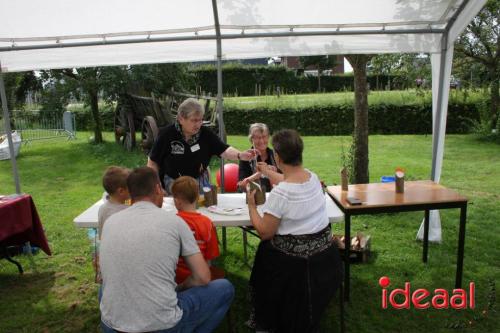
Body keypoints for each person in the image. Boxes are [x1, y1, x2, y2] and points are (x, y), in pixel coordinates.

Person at [99, 167, 234, 333]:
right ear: (157, 189)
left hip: (111, 325)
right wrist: (181, 287)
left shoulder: (111, 222)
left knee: (104, 288)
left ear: (130, 193)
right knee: (225, 288)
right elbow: (203, 277)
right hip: (162, 324)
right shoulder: (175, 222)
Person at [246, 129, 343, 332]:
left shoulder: (281, 193)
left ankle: (268, 319)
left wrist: (251, 205)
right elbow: (290, 180)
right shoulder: (313, 178)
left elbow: (265, 232)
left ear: (278, 157)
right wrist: (266, 172)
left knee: (264, 249)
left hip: (293, 266)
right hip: (324, 256)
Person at [147, 98, 257, 195]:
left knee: (203, 209)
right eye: (194, 120)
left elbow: (223, 149)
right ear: (181, 119)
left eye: (200, 120)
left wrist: (240, 154)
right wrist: (157, 186)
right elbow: (152, 162)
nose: (198, 124)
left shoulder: (205, 134)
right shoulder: (167, 134)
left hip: (199, 181)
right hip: (173, 182)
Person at [171, 176, 220, 284]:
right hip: (199, 279)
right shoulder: (207, 223)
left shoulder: (172, 222)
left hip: (174, 279)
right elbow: (210, 258)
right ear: (198, 197)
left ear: (176, 201)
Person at [94, 166, 131, 283]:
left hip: (105, 254)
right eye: (130, 187)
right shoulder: (125, 211)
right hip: (119, 257)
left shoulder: (103, 208)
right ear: (121, 191)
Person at [238, 123, 279, 192]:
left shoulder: (276, 156)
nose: (261, 141)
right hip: (252, 198)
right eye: (257, 137)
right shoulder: (246, 157)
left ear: (268, 137)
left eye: (264, 137)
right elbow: (241, 186)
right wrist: (259, 174)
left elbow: (285, 182)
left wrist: (272, 174)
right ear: (251, 139)